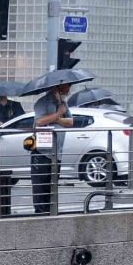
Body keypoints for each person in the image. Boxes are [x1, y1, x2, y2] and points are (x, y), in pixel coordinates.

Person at [31, 82, 75, 215]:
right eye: (67, 87)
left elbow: (71, 122)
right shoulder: (42, 102)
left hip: (57, 153)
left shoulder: (63, 103)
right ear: (57, 87)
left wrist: (56, 119)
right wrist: (58, 114)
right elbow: (39, 121)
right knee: (41, 185)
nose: (69, 90)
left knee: (53, 184)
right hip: (42, 152)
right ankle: (41, 213)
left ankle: (51, 212)